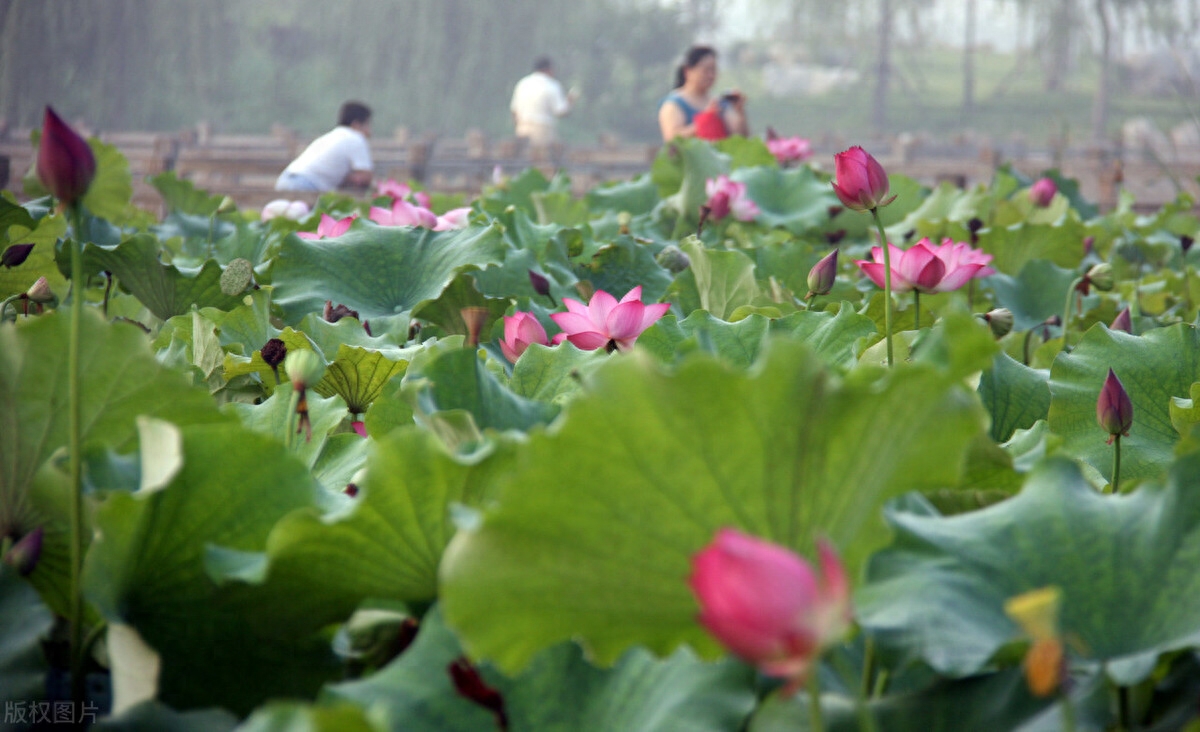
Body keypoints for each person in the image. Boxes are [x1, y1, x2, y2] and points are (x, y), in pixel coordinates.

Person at [276, 101, 373, 192]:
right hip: (305, 186)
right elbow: (364, 177)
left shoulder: (331, 136)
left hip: (284, 180)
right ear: (356, 125)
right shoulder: (356, 137)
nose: (370, 132)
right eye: (367, 125)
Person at [659, 45, 749, 143]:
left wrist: (739, 112)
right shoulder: (673, 104)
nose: (711, 75)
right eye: (706, 70)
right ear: (687, 71)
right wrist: (705, 119)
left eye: (713, 70)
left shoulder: (719, 102)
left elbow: (740, 137)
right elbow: (672, 140)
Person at [510, 57, 576, 147]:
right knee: (549, 155)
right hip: (543, 130)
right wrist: (569, 101)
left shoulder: (522, 83)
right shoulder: (552, 85)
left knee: (521, 158)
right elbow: (561, 111)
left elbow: (514, 111)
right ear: (548, 69)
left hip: (522, 130)